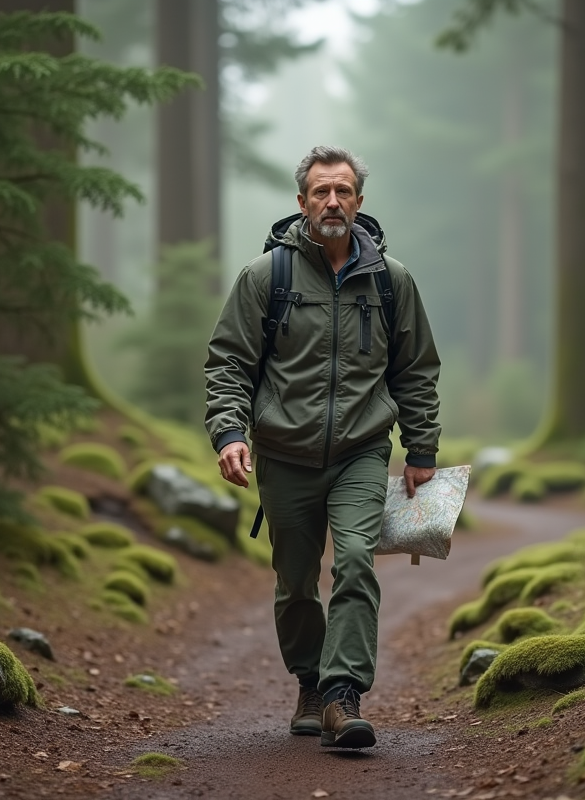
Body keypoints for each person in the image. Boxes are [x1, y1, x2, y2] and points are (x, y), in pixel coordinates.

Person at [204, 145, 441, 749]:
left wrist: (421, 449)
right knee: (295, 584)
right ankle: (309, 681)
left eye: (343, 191)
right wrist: (230, 433)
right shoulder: (267, 278)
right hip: (283, 454)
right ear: (302, 202)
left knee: (357, 560)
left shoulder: (392, 282)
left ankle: (342, 695)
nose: (331, 201)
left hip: (362, 450)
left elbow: (414, 370)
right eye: (320, 192)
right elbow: (229, 362)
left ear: (360, 202)